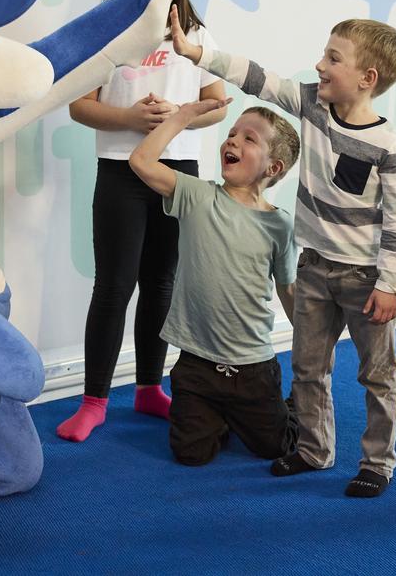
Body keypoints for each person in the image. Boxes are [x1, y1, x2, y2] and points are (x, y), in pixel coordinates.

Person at [171, 11, 396, 498]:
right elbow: (257, 77)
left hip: (365, 278)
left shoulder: (389, 146)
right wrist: (198, 54)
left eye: (332, 58)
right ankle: (314, 448)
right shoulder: (311, 106)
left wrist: (390, 284)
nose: (319, 64)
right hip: (315, 269)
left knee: (378, 374)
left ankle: (377, 462)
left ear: (367, 79)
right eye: (324, 53)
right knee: (308, 367)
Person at [57, 0, 227, 443]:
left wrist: (175, 117)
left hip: (178, 176)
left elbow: (218, 104)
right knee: (114, 285)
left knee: (162, 283)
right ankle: (94, 401)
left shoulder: (196, 34)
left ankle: (151, 388)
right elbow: (78, 105)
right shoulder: (105, 32)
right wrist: (131, 118)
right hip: (121, 173)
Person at [129, 98, 300, 466]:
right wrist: (184, 116)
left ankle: (293, 404)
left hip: (253, 367)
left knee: (276, 447)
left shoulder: (279, 225)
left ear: (274, 167)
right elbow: (141, 161)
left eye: (249, 139)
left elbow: (288, 287)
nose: (233, 141)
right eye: (232, 133)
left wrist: (310, 343)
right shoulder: (196, 195)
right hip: (196, 365)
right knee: (191, 454)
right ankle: (219, 417)